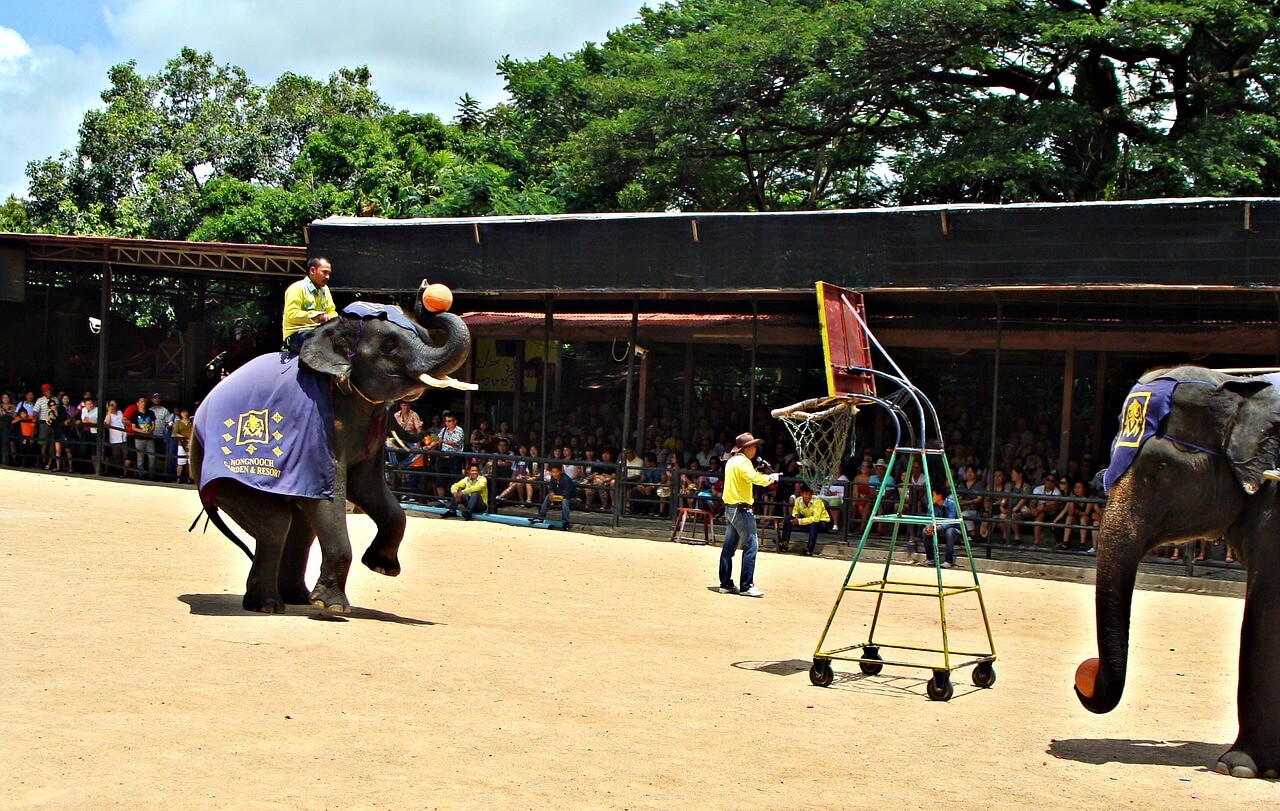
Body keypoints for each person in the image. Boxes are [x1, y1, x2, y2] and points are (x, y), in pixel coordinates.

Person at [717, 432, 780, 598]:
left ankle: (725, 583)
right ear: (747, 448)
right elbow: (754, 478)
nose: (755, 449)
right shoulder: (744, 462)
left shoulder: (732, 461)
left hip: (730, 507)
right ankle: (747, 585)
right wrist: (771, 478)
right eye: (753, 446)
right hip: (741, 509)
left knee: (729, 548)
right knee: (751, 545)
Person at [282, 256, 338, 355]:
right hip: (297, 335)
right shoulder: (296, 288)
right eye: (324, 272)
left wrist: (333, 318)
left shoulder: (325, 290)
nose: (327, 277)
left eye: (329, 273)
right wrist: (318, 316)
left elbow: (331, 311)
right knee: (316, 340)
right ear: (312, 270)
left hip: (320, 332)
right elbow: (291, 314)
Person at [782, 483, 831, 556]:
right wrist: (796, 515)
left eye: (809, 494)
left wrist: (799, 521)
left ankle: (809, 549)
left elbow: (816, 518)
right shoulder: (798, 500)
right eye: (805, 494)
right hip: (807, 521)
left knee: (814, 524)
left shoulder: (817, 501)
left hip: (822, 523)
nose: (808, 496)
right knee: (788, 518)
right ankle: (784, 543)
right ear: (801, 494)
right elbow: (795, 510)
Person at [921, 481, 961, 569]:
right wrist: (928, 527)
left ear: (939, 496)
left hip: (955, 531)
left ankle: (948, 561)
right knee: (925, 531)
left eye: (933, 494)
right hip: (938, 530)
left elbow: (951, 521)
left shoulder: (952, 504)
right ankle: (930, 558)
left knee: (950, 531)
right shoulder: (931, 506)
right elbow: (928, 519)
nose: (931, 497)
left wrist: (935, 528)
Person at [532, 461, 576, 528]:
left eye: (557, 472)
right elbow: (551, 487)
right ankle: (541, 517)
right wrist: (551, 492)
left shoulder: (566, 479)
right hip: (560, 497)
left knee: (565, 500)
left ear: (560, 471)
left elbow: (567, 494)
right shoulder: (553, 478)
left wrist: (556, 496)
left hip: (572, 499)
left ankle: (565, 522)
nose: (555, 474)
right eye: (553, 472)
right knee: (548, 496)